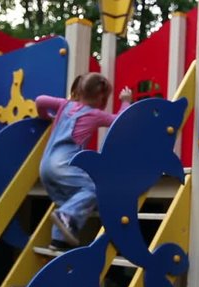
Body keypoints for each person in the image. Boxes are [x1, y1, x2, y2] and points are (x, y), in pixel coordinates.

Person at [37, 73, 132, 251]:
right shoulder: (95, 115)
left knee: (70, 200)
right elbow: (120, 121)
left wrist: (45, 116)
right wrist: (126, 101)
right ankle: (65, 216)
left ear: (79, 90)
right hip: (63, 165)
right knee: (92, 189)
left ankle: (58, 241)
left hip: (45, 166)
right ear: (101, 97)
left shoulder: (64, 105)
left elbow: (40, 100)